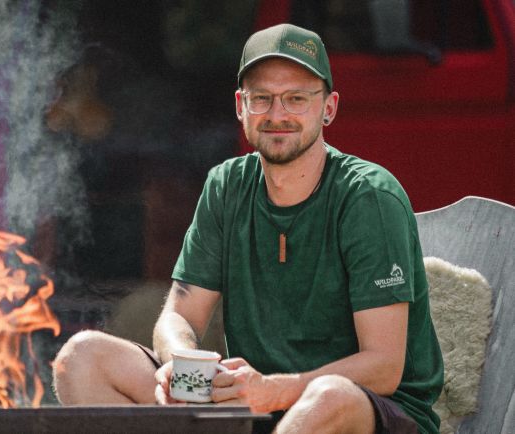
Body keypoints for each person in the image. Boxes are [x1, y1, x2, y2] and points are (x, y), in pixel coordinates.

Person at [52, 24, 443, 434]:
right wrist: (181, 366)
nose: (277, 115)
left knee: (329, 395)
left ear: (328, 108)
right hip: (254, 404)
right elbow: (180, 314)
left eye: (296, 98)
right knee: (82, 356)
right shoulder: (227, 186)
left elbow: (384, 367)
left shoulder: (368, 196)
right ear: (241, 106)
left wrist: (276, 391)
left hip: (364, 412)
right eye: (262, 98)